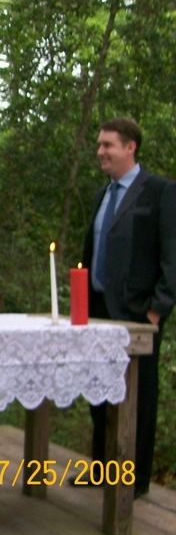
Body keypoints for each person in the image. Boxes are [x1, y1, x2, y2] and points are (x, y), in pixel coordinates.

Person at [80, 117, 175, 499]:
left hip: (138, 314)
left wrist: (157, 310)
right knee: (98, 390)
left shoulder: (160, 192)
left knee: (138, 395)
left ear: (130, 147)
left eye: (108, 145)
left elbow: (172, 255)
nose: (100, 151)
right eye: (100, 144)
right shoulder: (104, 194)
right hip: (98, 308)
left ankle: (133, 480)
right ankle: (102, 469)